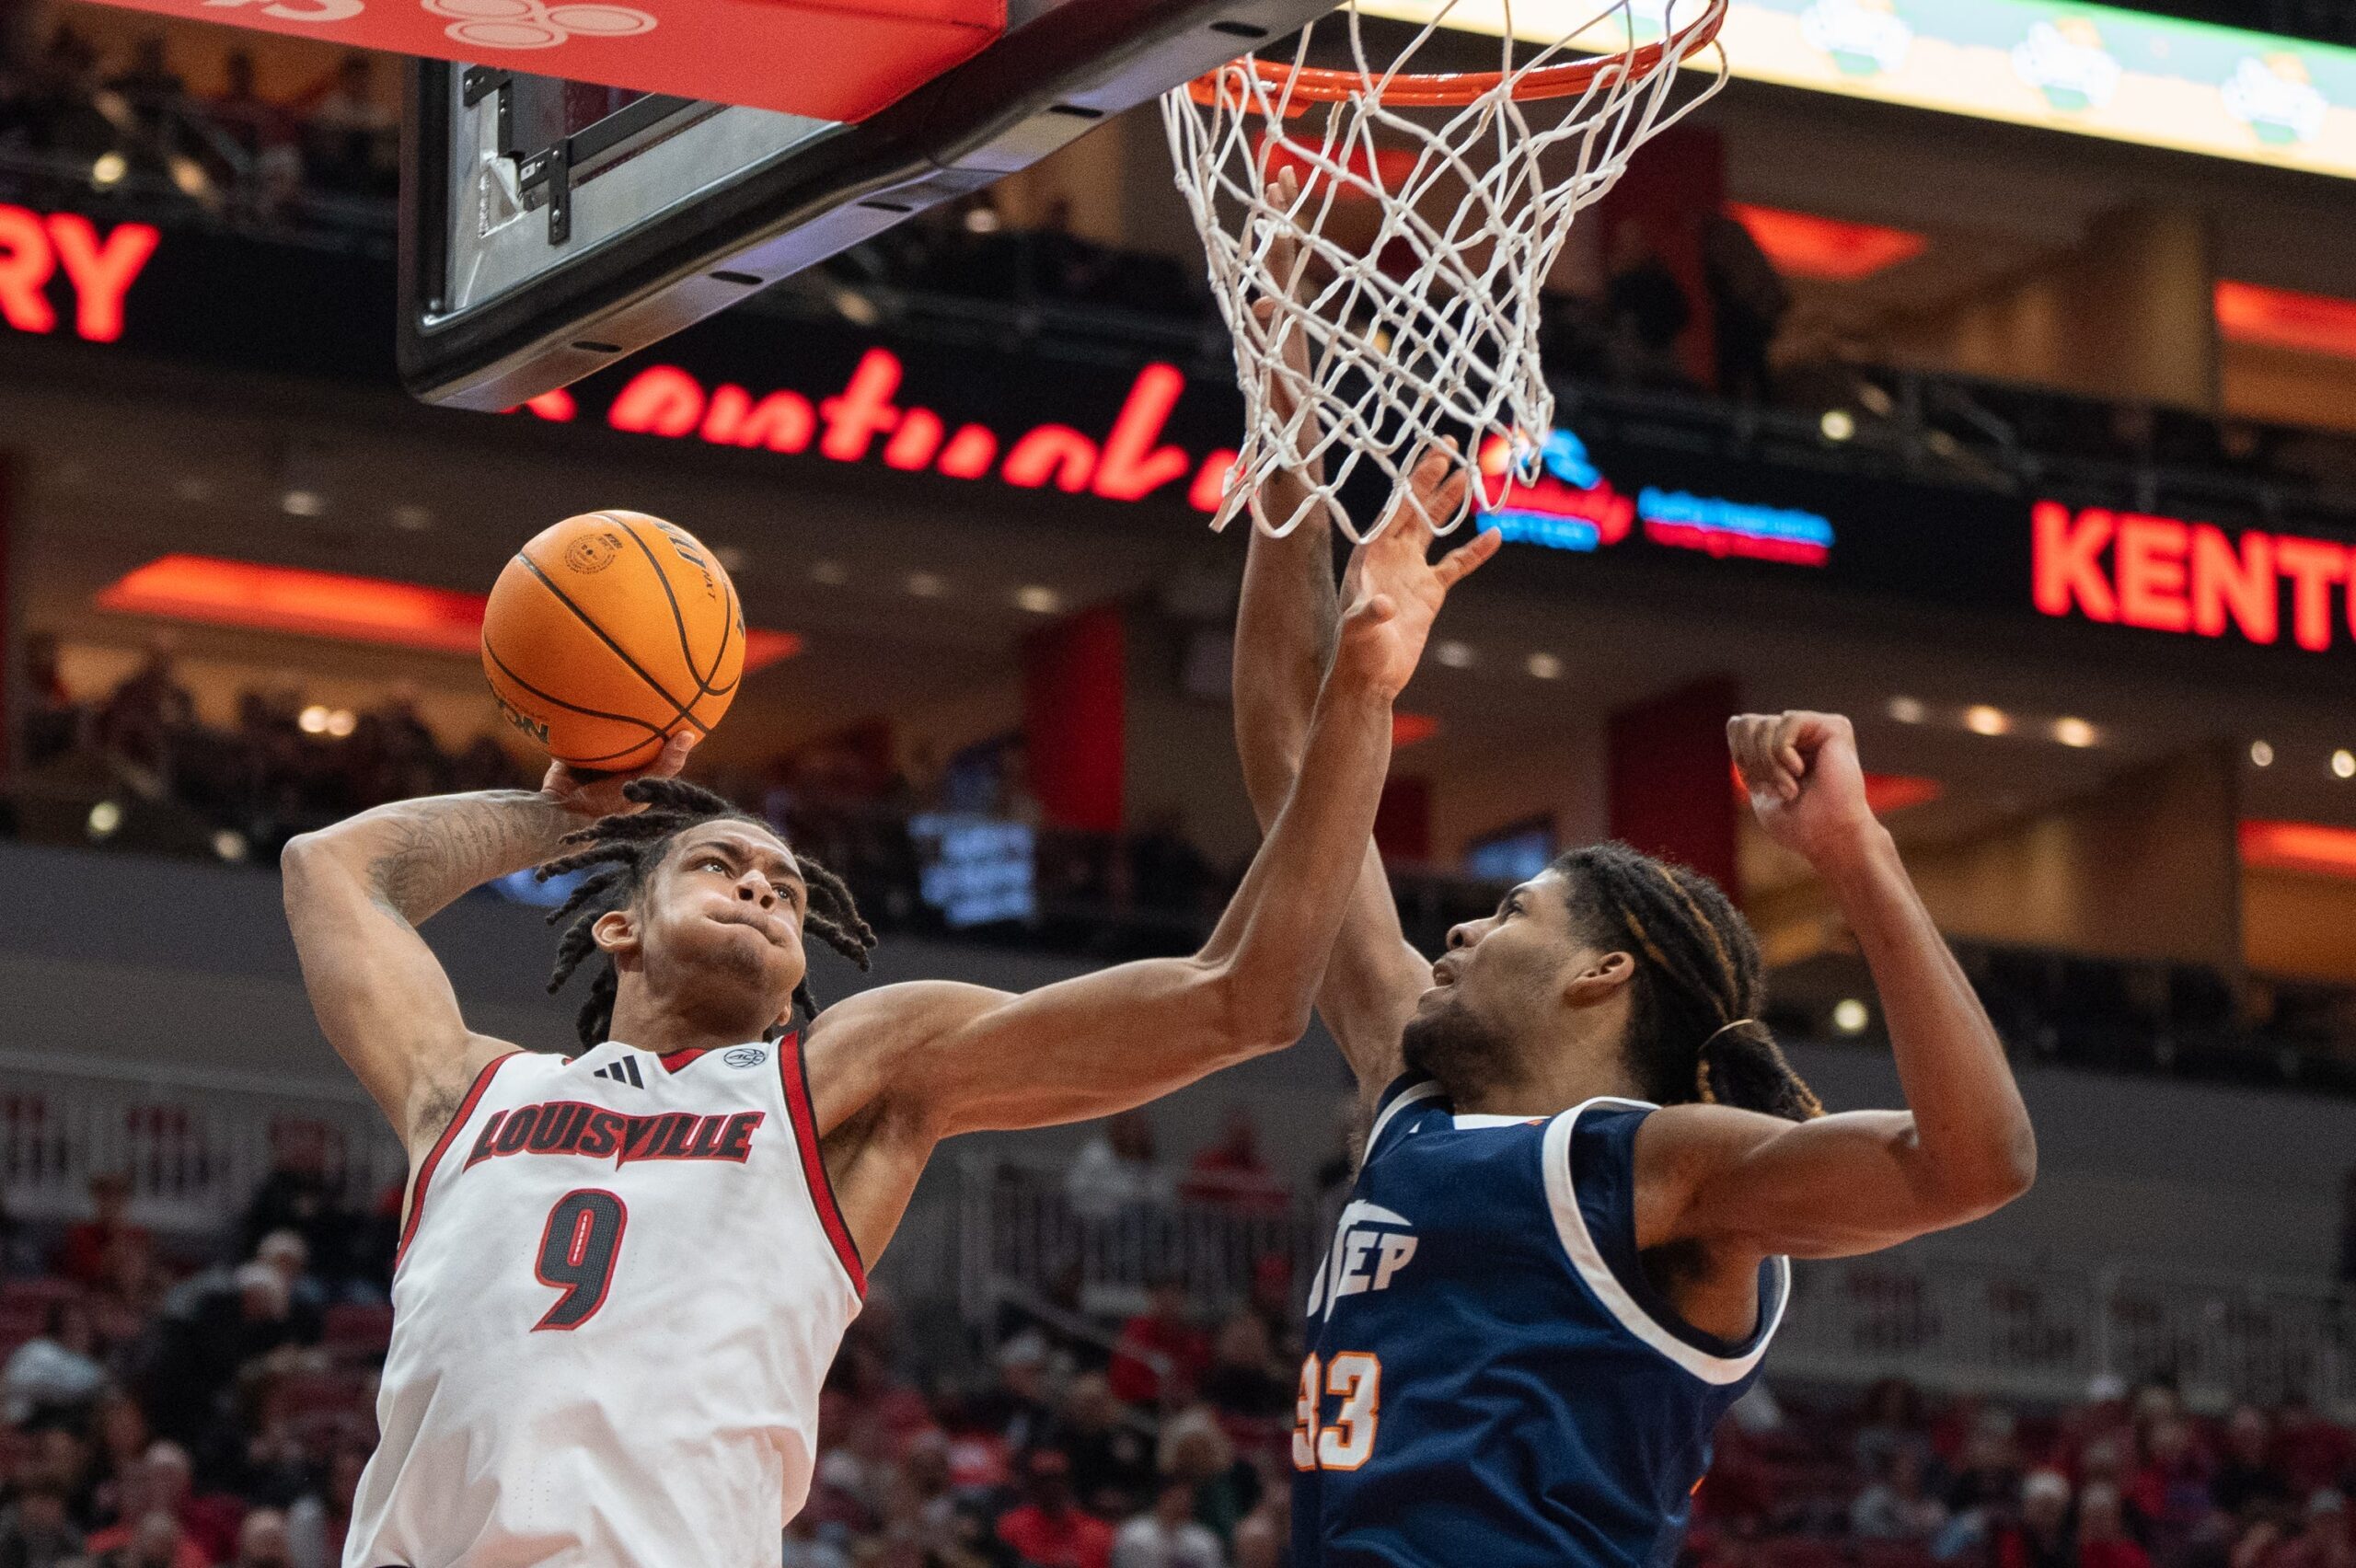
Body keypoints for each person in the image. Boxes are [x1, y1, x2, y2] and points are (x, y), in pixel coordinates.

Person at [277, 498, 1492, 1568]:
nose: (762, 884)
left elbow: (1246, 995)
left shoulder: (840, 1085)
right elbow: (331, 869)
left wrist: (1362, 702)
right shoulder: (471, 1089)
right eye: (716, 862)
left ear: (802, 969)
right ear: (619, 932)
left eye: (788, 891)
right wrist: (569, 814)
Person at [1229, 185, 2037, 1567]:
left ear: (1606, 971)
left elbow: (1975, 1166)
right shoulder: (1408, 1096)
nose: (1469, 924)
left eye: (1515, 909)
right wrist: (1286, 396)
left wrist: (1858, 853)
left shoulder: (1662, 1171)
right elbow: (1287, 739)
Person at [1114, 1481, 1225, 1568]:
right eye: (1177, 1498)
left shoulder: (1204, 1541)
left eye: (1187, 1499)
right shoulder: (1135, 1535)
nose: (1182, 1505)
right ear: (1162, 1498)